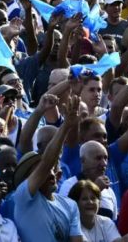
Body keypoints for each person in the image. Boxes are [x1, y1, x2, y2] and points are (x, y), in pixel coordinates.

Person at [13, 95, 83, 242]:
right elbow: (46, 163)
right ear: (28, 177)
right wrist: (65, 127)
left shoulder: (70, 205)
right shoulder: (23, 196)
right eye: (39, 171)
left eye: (53, 169)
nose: (50, 172)